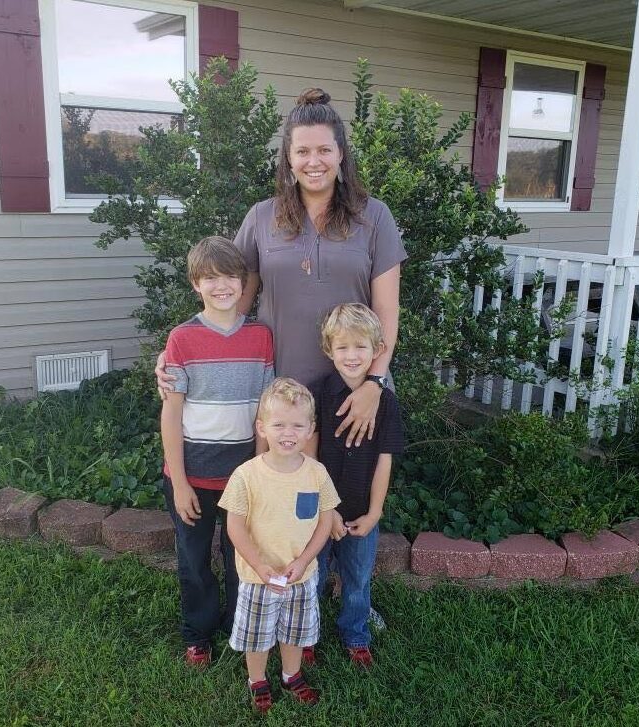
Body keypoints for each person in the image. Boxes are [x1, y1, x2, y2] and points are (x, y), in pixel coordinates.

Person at [158, 87, 406, 448]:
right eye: (302, 151)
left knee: (349, 495)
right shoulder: (261, 217)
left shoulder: (375, 216)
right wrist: (177, 357)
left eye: (324, 150)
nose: (314, 161)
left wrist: (375, 383)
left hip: (354, 390)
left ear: (341, 155)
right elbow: (231, 303)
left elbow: (386, 311)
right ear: (288, 159)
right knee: (283, 497)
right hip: (281, 397)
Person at [160, 236, 274, 668]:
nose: (221, 286)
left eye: (229, 276)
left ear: (244, 282)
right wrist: (180, 482)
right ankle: (198, 634)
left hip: (242, 476)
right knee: (193, 560)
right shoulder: (182, 339)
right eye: (210, 278)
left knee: (239, 556)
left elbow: (265, 409)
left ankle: (239, 626)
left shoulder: (260, 336)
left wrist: (261, 472)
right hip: (191, 475)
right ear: (195, 284)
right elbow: (171, 415)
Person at [219, 378, 340, 714]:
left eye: (298, 425)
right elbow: (235, 527)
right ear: (262, 428)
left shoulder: (317, 474)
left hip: (300, 577)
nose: (289, 433)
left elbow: (325, 522)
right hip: (260, 578)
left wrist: (303, 561)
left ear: (310, 430)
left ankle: (291, 674)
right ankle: (257, 679)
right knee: (257, 635)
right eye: (279, 425)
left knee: (294, 632)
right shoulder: (246, 475)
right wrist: (260, 566)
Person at [308, 304, 404, 668]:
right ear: (328, 350)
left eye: (360, 347)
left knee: (358, 578)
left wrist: (375, 512)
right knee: (312, 576)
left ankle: (356, 634)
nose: (352, 356)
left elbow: (385, 460)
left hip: (363, 510)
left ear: (377, 349)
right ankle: (306, 636)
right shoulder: (316, 395)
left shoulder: (386, 403)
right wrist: (325, 509)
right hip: (318, 510)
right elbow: (310, 459)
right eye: (343, 347)